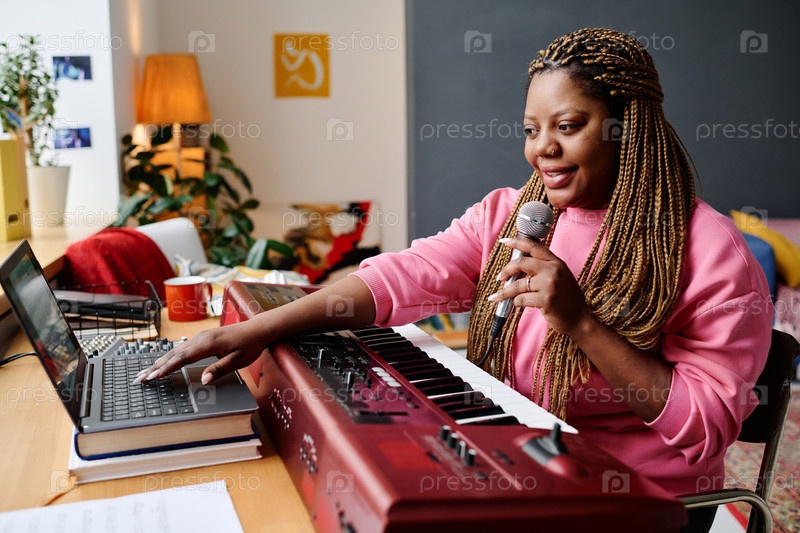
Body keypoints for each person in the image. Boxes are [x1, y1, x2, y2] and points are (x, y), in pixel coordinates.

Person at [135, 28, 772, 532]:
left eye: (567, 126)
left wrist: (581, 324)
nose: (542, 149)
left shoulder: (710, 250)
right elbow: (398, 278)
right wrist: (259, 327)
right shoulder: (511, 216)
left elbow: (706, 424)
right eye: (531, 130)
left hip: (639, 500)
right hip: (528, 461)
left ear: (626, 127)